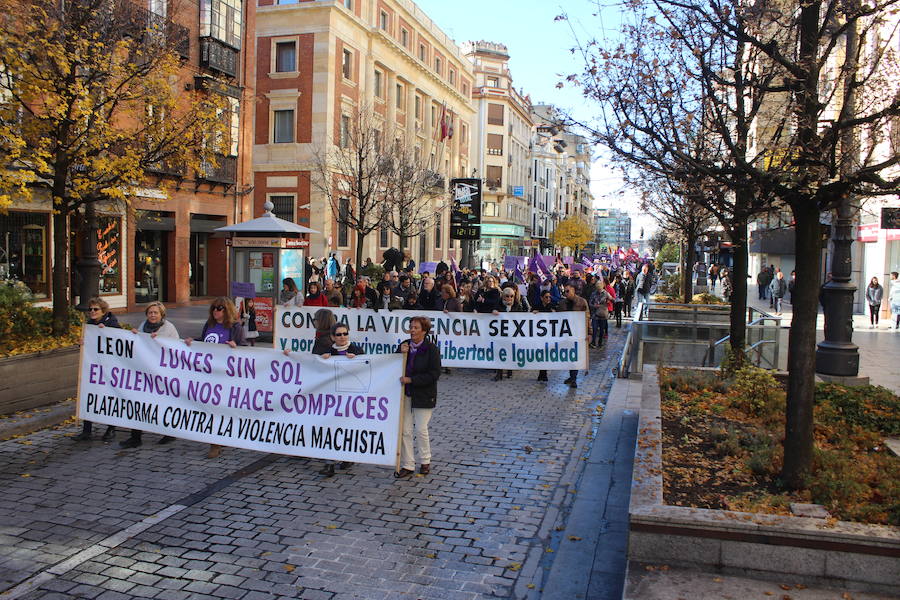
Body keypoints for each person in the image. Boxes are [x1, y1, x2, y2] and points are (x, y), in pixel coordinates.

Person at [185, 298, 245, 458]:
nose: (216, 311)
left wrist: (236, 347)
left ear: (227, 310)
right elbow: (204, 341)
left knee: (221, 408)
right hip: (208, 374)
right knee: (211, 408)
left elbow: (246, 350)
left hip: (225, 375)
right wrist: (192, 341)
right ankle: (215, 441)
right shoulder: (209, 325)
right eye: (214, 308)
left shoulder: (235, 327)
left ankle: (218, 441)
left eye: (220, 308)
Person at [120, 302, 180, 448]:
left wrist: (159, 341)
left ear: (162, 315)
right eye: (150, 313)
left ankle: (169, 433)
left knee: (162, 402)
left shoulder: (169, 328)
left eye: (155, 313)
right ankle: (135, 437)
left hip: (162, 373)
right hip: (145, 371)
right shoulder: (143, 326)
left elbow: (176, 348)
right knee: (138, 401)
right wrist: (134, 337)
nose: (152, 315)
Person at [312, 322, 363, 476]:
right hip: (331, 397)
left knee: (347, 428)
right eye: (339, 334)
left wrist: (357, 360)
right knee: (329, 428)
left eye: (345, 333)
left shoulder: (356, 350)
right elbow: (312, 367)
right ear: (333, 337)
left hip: (350, 397)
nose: (342, 337)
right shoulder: (327, 351)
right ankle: (329, 464)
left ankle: (347, 457)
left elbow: (368, 367)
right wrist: (322, 360)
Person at [395, 316, 441, 478]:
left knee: (421, 429)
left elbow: (434, 374)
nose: (412, 330)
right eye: (411, 327)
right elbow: (392, 364)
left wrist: (412, 380)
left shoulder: (431, 349)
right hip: (405, 394)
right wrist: (399, 353)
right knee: (405, 430)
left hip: (424, 395)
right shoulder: (404, 346)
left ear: (424, 331)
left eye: (415, 327)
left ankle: (425, 460)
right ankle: (407, 464)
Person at [74, 298, 120, 442]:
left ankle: (111, 428)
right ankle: (86, 430)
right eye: (91, 309)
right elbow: (89, 346)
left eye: (96, 309)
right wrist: (82, 343)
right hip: (94, 367)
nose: (92, 312)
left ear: (103, 311)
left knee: (108, 397)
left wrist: (106, 332)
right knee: (89, 395)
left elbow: (121, 342)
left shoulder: (112, 324)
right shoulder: (89, 325)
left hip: (109, 368)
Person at [491, 287, 525, 381]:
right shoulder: (498, 303)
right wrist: (494, 311)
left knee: (510, 352)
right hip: (501, 333)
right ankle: (499, 373)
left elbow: (522, 315)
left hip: (512, 333)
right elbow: (493, 310)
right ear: (503, 297)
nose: (510, 298)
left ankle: (510, 370)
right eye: (507, 296)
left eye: (512, 296)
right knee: (500, 352)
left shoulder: (517, 305)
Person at [562, 283, 589, 388]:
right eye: (565, 291)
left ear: (573, 290)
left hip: (578, 333)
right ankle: (571, 376)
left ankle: (574, 378)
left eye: (568, 291)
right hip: (566, 334)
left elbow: (587, 317)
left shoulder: (582, 302)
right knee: (569, 356)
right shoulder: (562, 303)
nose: (566, 293)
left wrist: (589, 333)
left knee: (575, 356)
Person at [533, 290, 557, 382]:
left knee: (546, 354)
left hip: (549, 335)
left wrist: (555, 314)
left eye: (549, 297)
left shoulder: (552, 307)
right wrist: (533, 313)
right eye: (546, 297)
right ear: (541, 298)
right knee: (540, 353)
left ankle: (544, 373)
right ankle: (541, 373)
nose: (548, 299)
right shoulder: (537, 306)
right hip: (539, 335)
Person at [589, 279, 613, 348]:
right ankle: (593, 342)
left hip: (603, 314)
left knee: (602, 330)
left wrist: (609, 301)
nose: (598, 287)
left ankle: (600, 342)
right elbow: (590, 303)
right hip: (595, 314)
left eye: (600, 286)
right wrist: (594, 306)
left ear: (602, 286)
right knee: (594, 328)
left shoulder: (606, 293)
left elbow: (613, 300)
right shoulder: (593, 294)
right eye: (597, 286)